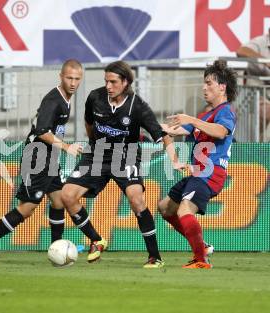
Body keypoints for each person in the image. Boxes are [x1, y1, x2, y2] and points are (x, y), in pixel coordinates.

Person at [61, 61, 183, 267]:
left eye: (113, 82)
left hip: (125, 157)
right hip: (97, 155)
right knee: (67, 195)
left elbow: (163, 136)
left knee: (136, 200)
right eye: (106, 81)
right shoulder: (95, 97)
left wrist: (175, 160)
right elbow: (89, 123)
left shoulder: (139, 107)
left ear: (125, 82)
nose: (108, 86)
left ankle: (155, 257)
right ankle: (97, 240)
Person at [0, 59, 84, 261]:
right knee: (28, 207)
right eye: (69, 78)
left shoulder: (65, 99)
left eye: (77, 78)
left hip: (50, 158)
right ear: (61, 76)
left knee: (59, 201)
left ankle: (56, 247)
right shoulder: (54, 100)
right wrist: (67, 147)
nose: (73, 82)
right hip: (37, 158)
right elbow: (41, 131)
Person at [159, 60, 237, 269]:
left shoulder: (225, 111)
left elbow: (221, 131)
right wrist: (148, 122)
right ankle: (201, 246)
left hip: (210, 175)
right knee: (166, 208)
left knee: (184, 211)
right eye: (204, 83)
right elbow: (173, 130)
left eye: (209, 83)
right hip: (198, 174)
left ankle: (201, 259)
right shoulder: (205, 116)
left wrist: (192, 120)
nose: (204, 87)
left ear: (222, 87)